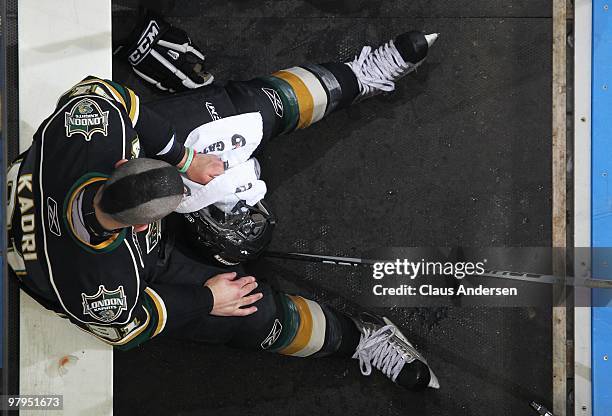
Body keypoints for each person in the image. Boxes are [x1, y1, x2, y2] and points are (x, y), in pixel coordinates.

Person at [6, 13, 440, 391]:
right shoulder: (102, 292)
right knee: (256, 317)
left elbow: (110, 95)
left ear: (122, 161)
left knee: (250, 107)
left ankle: (359, 76)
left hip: (86, 200)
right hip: (131, 263)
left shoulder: (86, 129)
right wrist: (208, 301)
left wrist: (184, 157)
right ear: (143, 227)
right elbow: (132, 328)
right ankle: (363, 341)